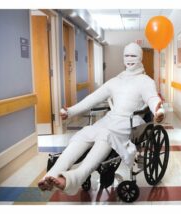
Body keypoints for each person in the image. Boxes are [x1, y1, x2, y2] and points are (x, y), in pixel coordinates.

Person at [38, 42, 165, 195]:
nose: (129, 59)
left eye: (133, 55)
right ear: (123, 57)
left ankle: (75, 177)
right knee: (85, 133)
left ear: (140, 58)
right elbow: (92, 99)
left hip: (130, 122)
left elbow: (152, 98)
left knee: (105, 135)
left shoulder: (146, 81)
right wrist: (70, 111)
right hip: (111, 119)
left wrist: (158, 110)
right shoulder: (115, 81)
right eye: (126, 55)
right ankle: (51, 175)